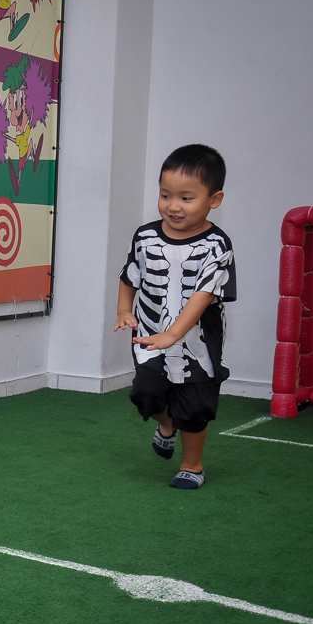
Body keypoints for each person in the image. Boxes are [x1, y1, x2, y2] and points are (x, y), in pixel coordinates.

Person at [114, 144, 235, 489]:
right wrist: (124, 309)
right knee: (145, 393)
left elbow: (202, 296)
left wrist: (174, 335)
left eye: (186, 198)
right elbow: (129, 277)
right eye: (165, 195)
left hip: (197, 341)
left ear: (215, 199)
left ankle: (192, 465)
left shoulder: (217, 246)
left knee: (195, 408)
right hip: (150, 334)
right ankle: (166, 424)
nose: (173, 206)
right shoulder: (145, 236)